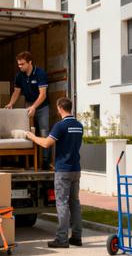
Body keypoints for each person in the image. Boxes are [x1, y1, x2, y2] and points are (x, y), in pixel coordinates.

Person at [25, 97, 83, 248]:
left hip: (63, 170)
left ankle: (62, 239)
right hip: (76, 169)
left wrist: (31, 136)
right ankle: (77, 237)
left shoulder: (60, 126)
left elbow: (46, 144)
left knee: (62, 204)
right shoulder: (79, 125)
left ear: (60, 108)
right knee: (74, 203)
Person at [5, 51, 50, 166]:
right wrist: (11, 103)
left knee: (44, 132)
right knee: (26, 132)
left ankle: (45, 161)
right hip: (28, 105)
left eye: (22, 64)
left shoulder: (40, 73)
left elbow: (43, 95)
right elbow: (16, 92)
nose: (20, 66)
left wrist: (34, 106)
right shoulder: (19, 76)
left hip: (42, 106)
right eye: (18, 64)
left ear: (30, 62)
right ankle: (26, 161)